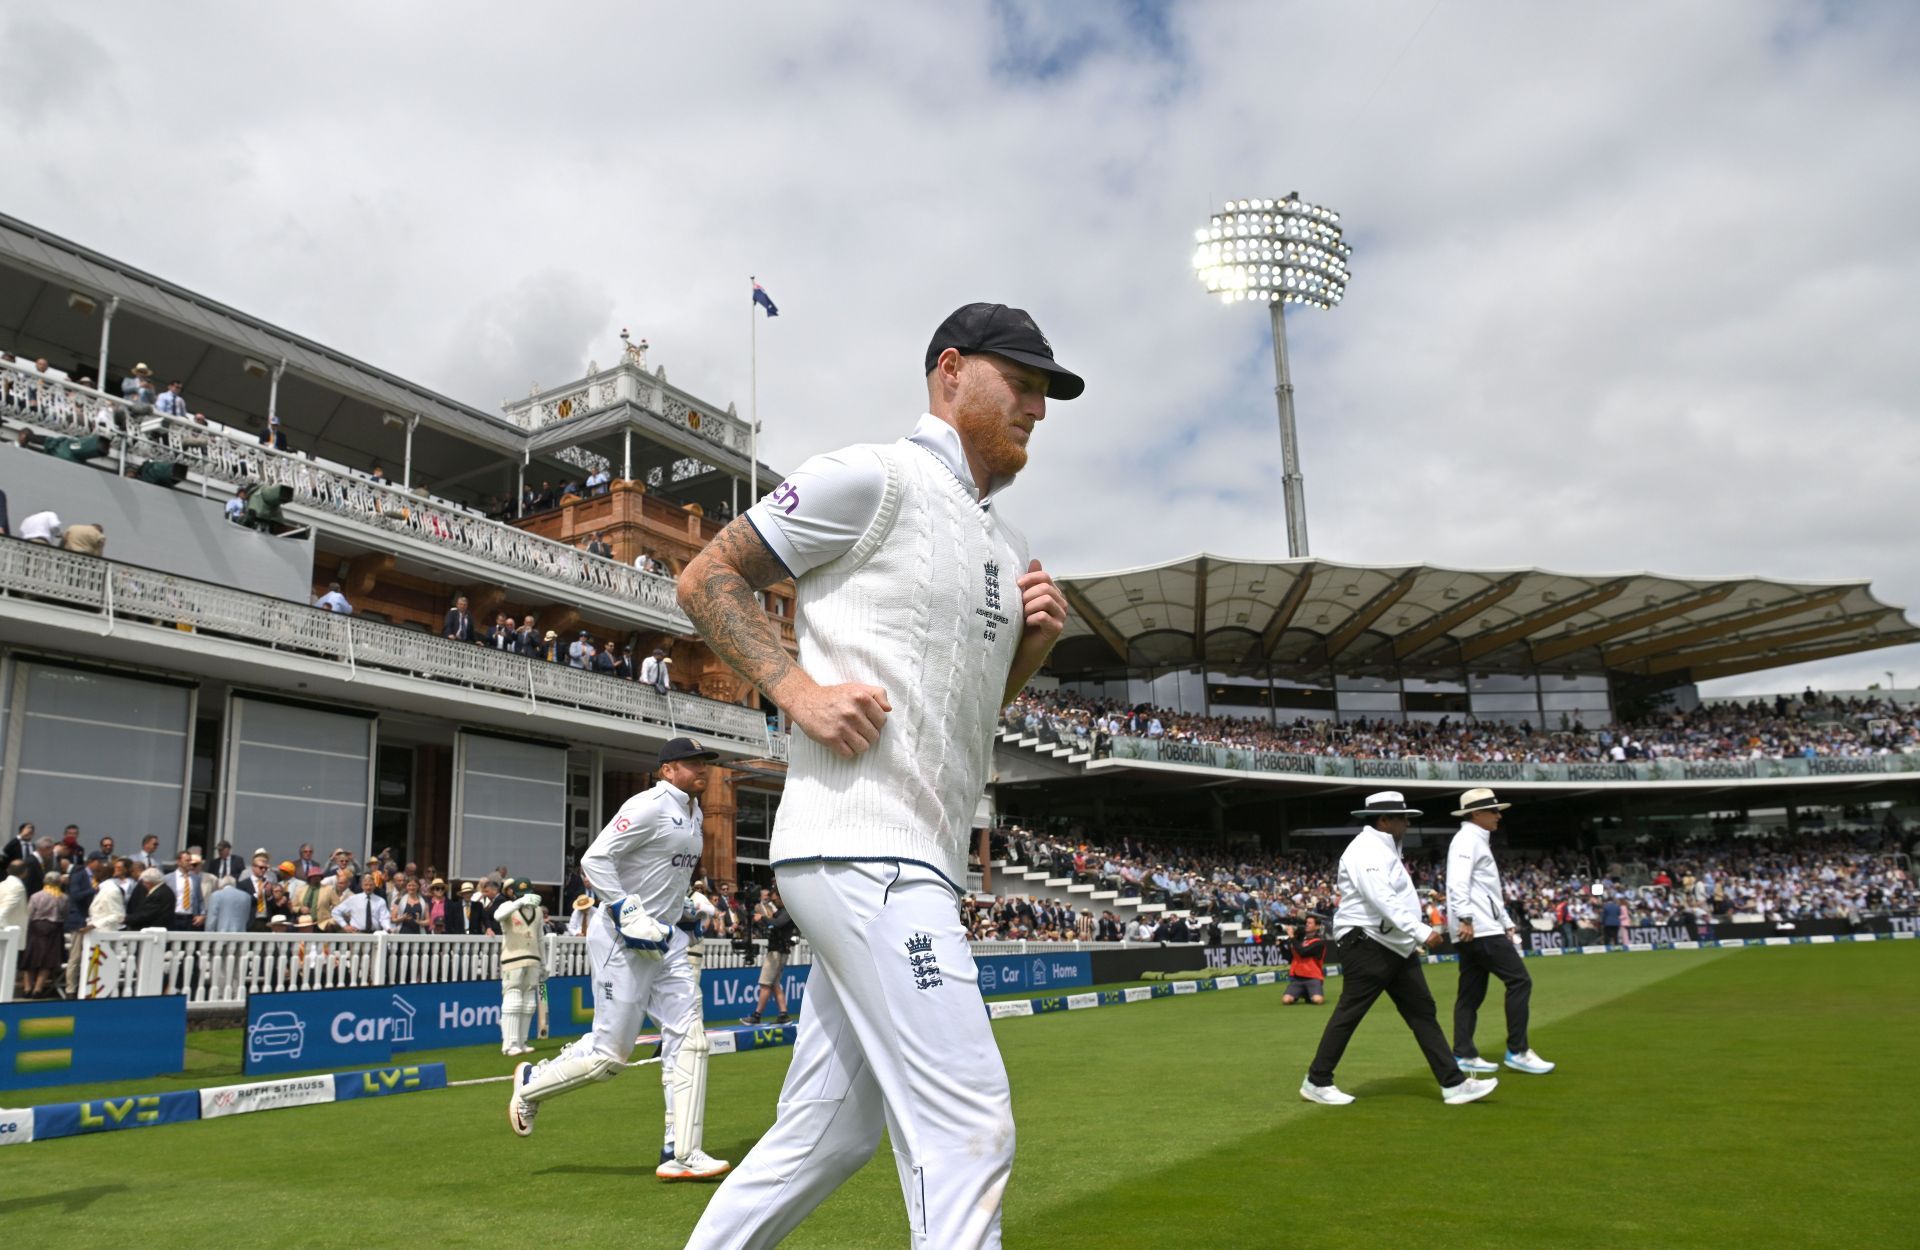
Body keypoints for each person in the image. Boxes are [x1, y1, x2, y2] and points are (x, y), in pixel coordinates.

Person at [680, 301, 1082, 1249]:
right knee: (969, 1124)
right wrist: (796, 689)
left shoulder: (1000, 543)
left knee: (824, 1137)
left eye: (1043, 393)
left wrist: (1030, 648)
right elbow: (705, 577)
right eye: (1019, 384)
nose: (1036, 407)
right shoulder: (873, 477)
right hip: (868, 851)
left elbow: (968, 716)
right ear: (951, 372)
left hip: (908, 858)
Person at [507, 737, 731, 1183]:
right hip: (621, 942)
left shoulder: (695, 812)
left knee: (691, 1039)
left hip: (666, 940)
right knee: (609, 1058)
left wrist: (685, 906)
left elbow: (659, 874)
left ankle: (682, 1151)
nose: (702, 769)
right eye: (692, 763)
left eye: (705, 763)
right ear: (667, 769)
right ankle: (531, 1082)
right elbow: (596, 858)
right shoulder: (647, 805)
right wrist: (627, 909)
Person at [1300, 792, 1499, 1107]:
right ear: (1384, 820)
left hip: (1390, 944)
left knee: (1422, 1012)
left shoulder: (1382, 848)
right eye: (1403, 817)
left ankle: (1454, 1084)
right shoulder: (1366, 850)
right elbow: (1382, 898)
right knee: (1351, 1012)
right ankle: (1317, 1080)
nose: (1407, 822)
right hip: (1367, 943)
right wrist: (1421, 931)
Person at [1445, 789, 1555, 1076]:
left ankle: (1464, 1053)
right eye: (1493, 811)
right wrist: (1465, 917)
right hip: (1478, 928)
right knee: (1519, 981)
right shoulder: (1468, 840)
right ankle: (1518, 1051)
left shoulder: (1473, 839)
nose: (1498, 815)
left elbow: (1486, 892)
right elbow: (1458, 882)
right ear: (1476, 814)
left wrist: (1505, 920)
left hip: (1478, 926)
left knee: (1470, 994)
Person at [496, 878, 547, 1056]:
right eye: (523, 894)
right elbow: (497, 916)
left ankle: (522, 1041)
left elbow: (540, 938)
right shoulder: (508, 907)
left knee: (529, 1003)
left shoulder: (538, 911)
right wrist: (518, 902)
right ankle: (509, 1044)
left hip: (533, 958)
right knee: (513, 999)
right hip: (513, 959)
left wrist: (544, 963)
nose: (527, 897)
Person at [739, 889, 793, 1025]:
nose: (773, 902)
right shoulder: (782, 912)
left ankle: (756, 1016)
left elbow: (776, 924)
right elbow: (771, 925)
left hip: (777, 952)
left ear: (783, 897)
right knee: (775, 984)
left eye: (775, 899)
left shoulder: (787, 912)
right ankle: (783, 1014)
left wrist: (762, 917)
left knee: (765, 983)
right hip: (779, 951)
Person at [1281, 915, 1326, 1005]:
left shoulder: (1319, 942)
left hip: (1313, 977)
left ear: (1317, 926)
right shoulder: (1299, 940)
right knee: (1286, 1000)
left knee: (1318, 1000)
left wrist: (1292, 936)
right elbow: (1288, 957)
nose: (1306, 925)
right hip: (1297, 978)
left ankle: (1308, 994)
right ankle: (1305, 993)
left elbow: (1303, 952)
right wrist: (1281, 945)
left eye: (1310, 923)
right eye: (1306, 923)